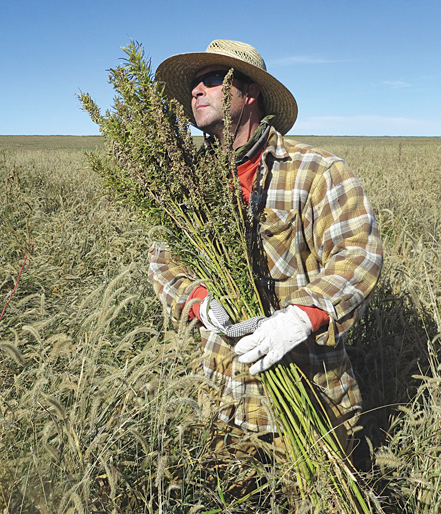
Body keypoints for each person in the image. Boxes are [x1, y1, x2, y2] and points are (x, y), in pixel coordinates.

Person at [148, 40, 383, 453]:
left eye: (210, 80)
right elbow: (162, 262)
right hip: (223, 399)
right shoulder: (185, 185)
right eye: (193, 85)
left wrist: (302, 317)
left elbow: (359, 254)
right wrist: (199, 301)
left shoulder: (316, 171)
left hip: (312, 401)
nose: (196, 92)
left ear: (249, 92)